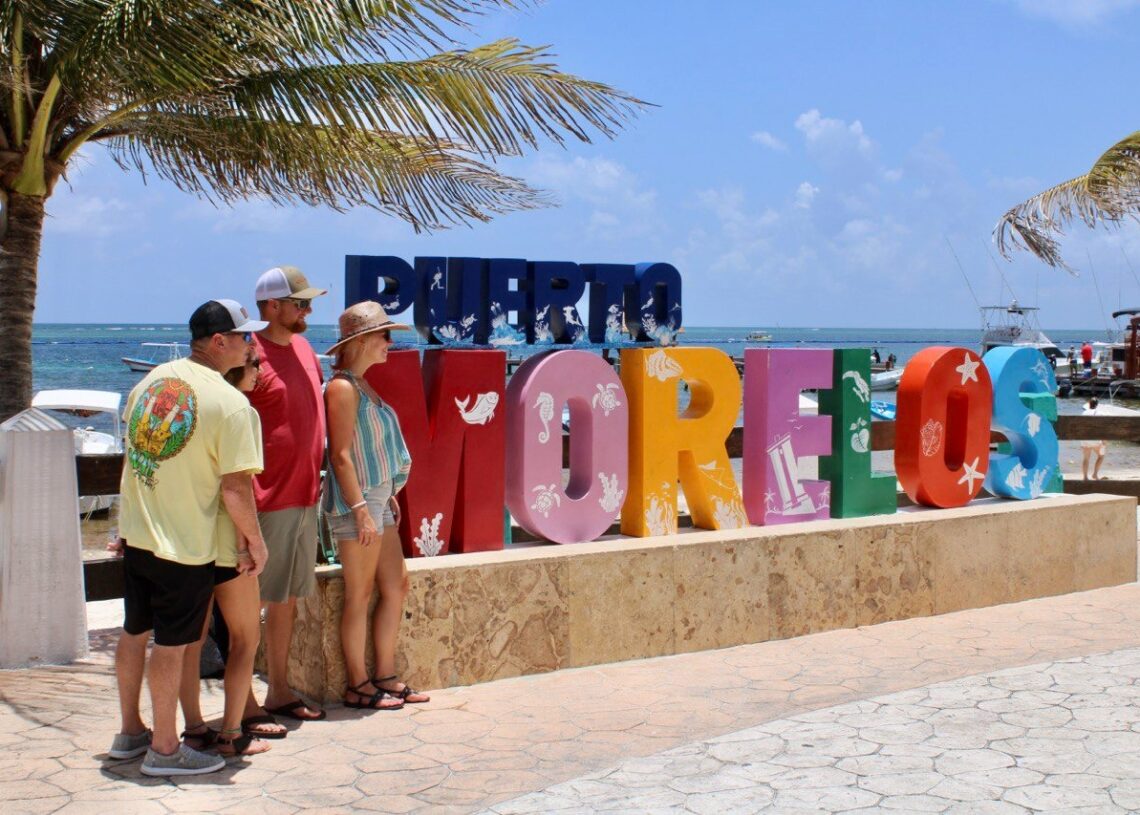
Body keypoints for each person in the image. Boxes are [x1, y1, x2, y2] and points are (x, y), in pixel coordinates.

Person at [110, 300, 268, 776]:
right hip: (183, 544)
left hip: (139, 534)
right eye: (244, 336)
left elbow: (135, 458)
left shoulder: (151, 381)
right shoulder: (231, 403)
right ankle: (164, 749)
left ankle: (130, 732)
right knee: (173, 645)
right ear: (219, 341)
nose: (251, 344)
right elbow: (236, 488)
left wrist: (123, 523)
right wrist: (256, 542)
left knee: (134, 632)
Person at [324, 302, 428, 709]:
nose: (389, 342)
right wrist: (360, 508)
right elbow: (340, 455)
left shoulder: (361, 384)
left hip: (377, 499)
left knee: (395, 585)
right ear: (362, 340)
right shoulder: (342, 388)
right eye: (384, 335)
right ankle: (358, 684)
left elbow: (366, 451)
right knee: (360, 594)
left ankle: (385, 675)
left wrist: (387, 494)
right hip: (360, 502)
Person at [242, 266, 329, 731]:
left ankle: (277, 690)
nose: (308, 310)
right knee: (247, 605)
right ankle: (242, 703)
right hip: (266, 498)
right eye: (301, 303)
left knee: (287, 600)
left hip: (305, 494)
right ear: (272, 306)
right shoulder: (248, 355)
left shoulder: (305, 348)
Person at [178, 348, 273, 757]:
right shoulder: (240, 411)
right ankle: (233, 734)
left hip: (192, 543)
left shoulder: (198, 409)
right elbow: (238, 487)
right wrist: (251, 542)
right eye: (254, 363)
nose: (260, 370)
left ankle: (195, 729)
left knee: (190, 642)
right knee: (245, 638)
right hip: (229, 546)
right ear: (238, 369)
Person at [1081, 396, 1108, 480]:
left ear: (1089, 404)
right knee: (1101, 455)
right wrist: (1104, 440)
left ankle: (1085, 477)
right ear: (1097, 405)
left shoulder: (1084, 413)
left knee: (1086, 458)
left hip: (1085, 439)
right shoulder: (1100, 413)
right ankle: (1095, 474)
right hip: (1095, 439)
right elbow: (1103, 428)